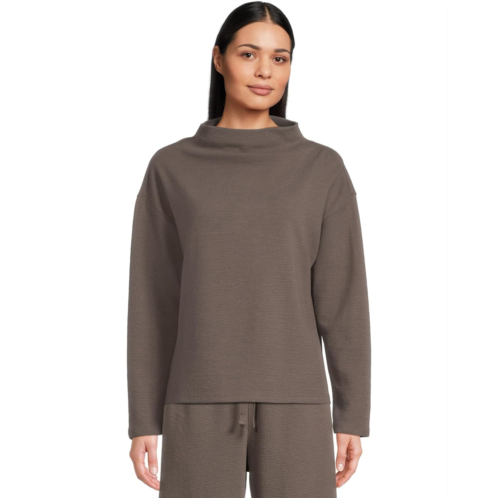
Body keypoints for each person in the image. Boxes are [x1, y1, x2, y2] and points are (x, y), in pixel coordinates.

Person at [127, 2, 371, 497]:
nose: (265, 71)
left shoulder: (321, 169)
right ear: (218, 59)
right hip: (196, 398)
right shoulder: (171, 168)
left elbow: (343, 301)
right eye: (248, 54)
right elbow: (153, 302)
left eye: (280, 58)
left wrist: (352, 415)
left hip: (297, 402)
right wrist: (143, 420)